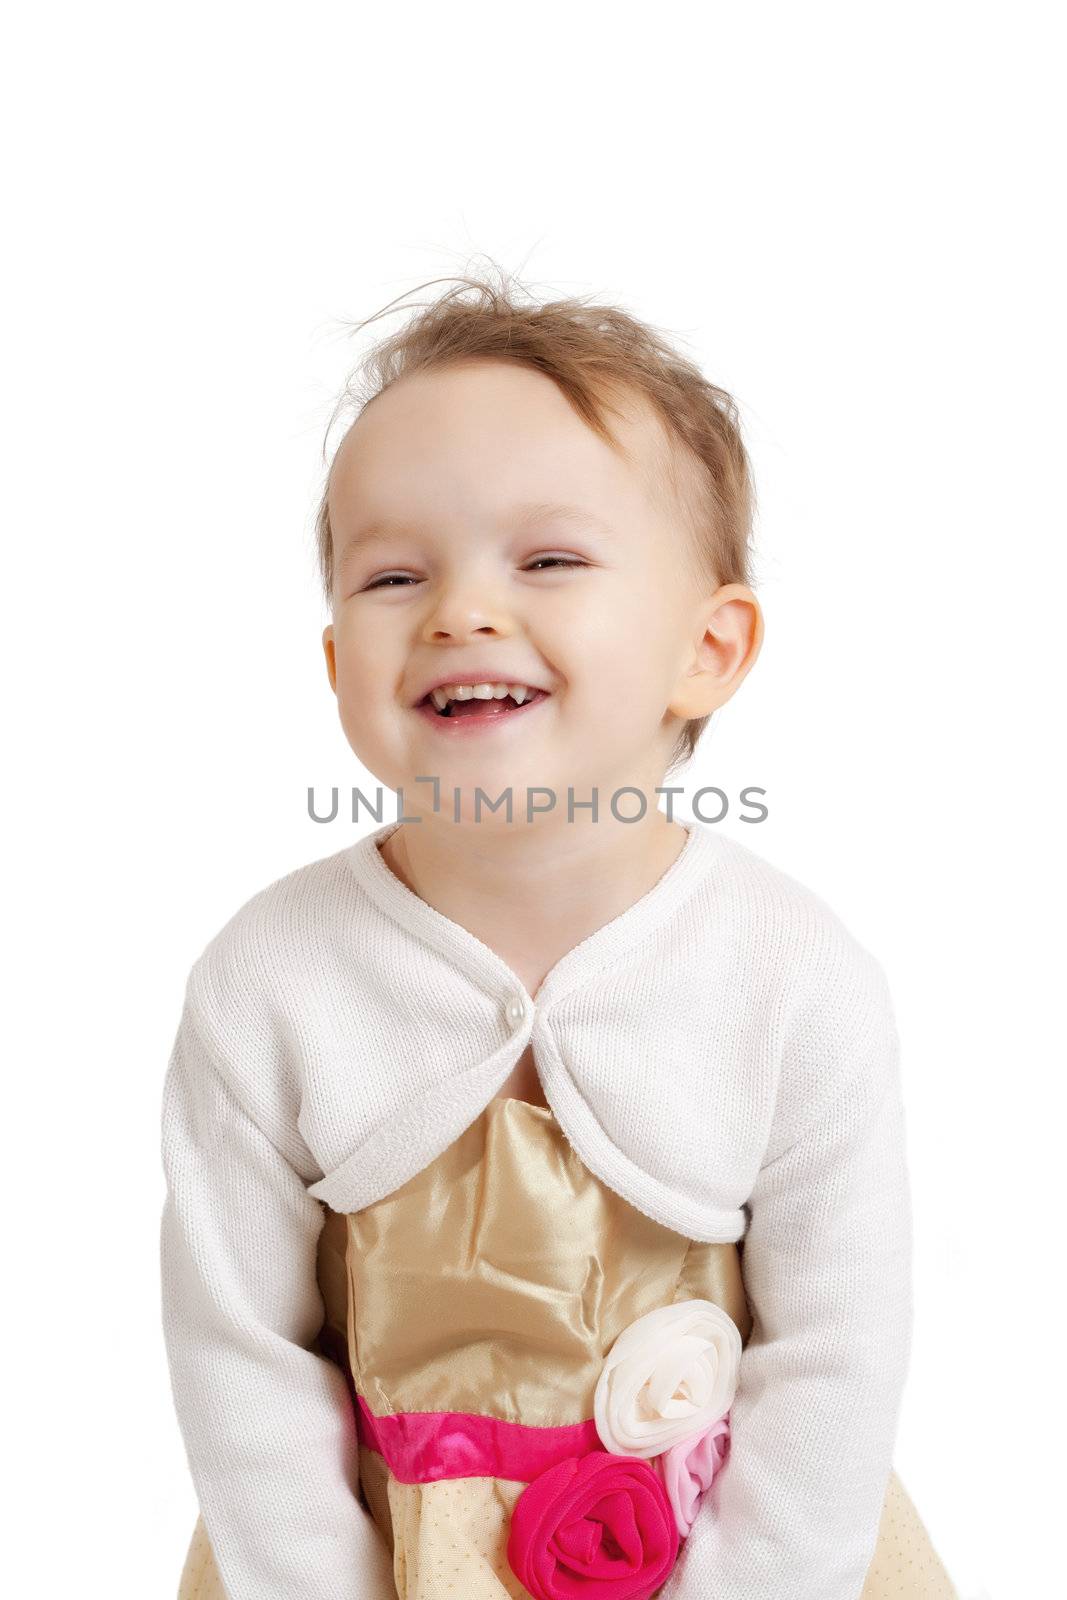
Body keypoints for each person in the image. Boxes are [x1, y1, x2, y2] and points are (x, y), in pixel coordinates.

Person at [160, 268, 958, 1600]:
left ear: (708, 647)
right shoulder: (269, 985)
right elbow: (237, 1352)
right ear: (334, 665)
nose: (461, 610)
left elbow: (836, 1352)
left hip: (761, 1548)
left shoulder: (795, 979)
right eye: (394, 572)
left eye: (548, 560)